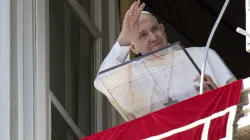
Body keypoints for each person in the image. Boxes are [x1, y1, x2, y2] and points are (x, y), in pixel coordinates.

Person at [94, 0, 235, 121]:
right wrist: (123, 38)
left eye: (155, 29)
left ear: (163, 29)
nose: (153, 37)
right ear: (133, 47)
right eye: (143, 35)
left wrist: (216, 95)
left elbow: (238, 99)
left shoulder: (202, 55)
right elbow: (104, 82)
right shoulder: (129, 75)